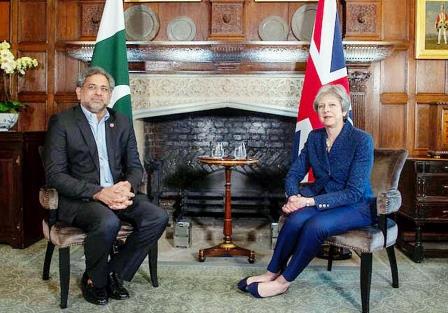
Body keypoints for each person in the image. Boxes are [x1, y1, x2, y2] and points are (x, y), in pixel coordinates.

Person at [43, 66, 168, 305]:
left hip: (118, 193)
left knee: (157, 216)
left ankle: (109, 273)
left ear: (110, 95)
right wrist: (99, 192)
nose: (98, 93)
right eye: (92, 87)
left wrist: (126, 187)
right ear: (79, 92)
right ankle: (97, 284)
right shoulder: (63, 122)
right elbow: (55, 176)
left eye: (104, 89)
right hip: (81, 199)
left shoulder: (121, 121)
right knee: (107, 221)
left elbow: (135, 166)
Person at [237, 84, 375, 298]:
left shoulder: (361, 140)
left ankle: (284, 281)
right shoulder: (315, 138)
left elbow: (354, 192)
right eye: (321, 106)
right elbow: (293, 174)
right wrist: (293, 196)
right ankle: (271, 273)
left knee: (314, 225)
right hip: (321, 199)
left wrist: (308, 202)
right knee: (295, 219)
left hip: (356, 206)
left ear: (344, 110)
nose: (326, 110)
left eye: (332, 105)